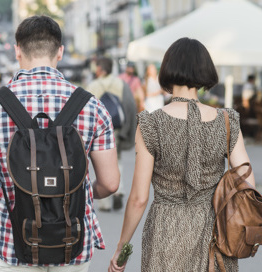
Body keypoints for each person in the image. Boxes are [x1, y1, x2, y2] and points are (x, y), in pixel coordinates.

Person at [0, 15, 120, 271]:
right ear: (60, 51)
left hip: (14, 243)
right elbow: (110, 183)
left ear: (17, 50)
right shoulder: (92, 106)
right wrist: (78, 191)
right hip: (73, 242)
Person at [108, 37, 254, 272]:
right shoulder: (227, 121)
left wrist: (121, 248)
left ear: (167, 70)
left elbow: (138, 198)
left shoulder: (150, 124)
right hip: (215, 234)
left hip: (165, 233)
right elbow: (247, 182)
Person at [87, 57, 137, 212]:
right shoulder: (120, 84)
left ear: (101, 69)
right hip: (117, 128)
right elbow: (130, 106)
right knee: (118, 159)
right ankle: (119, 190)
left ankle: (105, 202)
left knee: (101, 162)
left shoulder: (93, 86)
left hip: (98, 130)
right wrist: (127, 130)